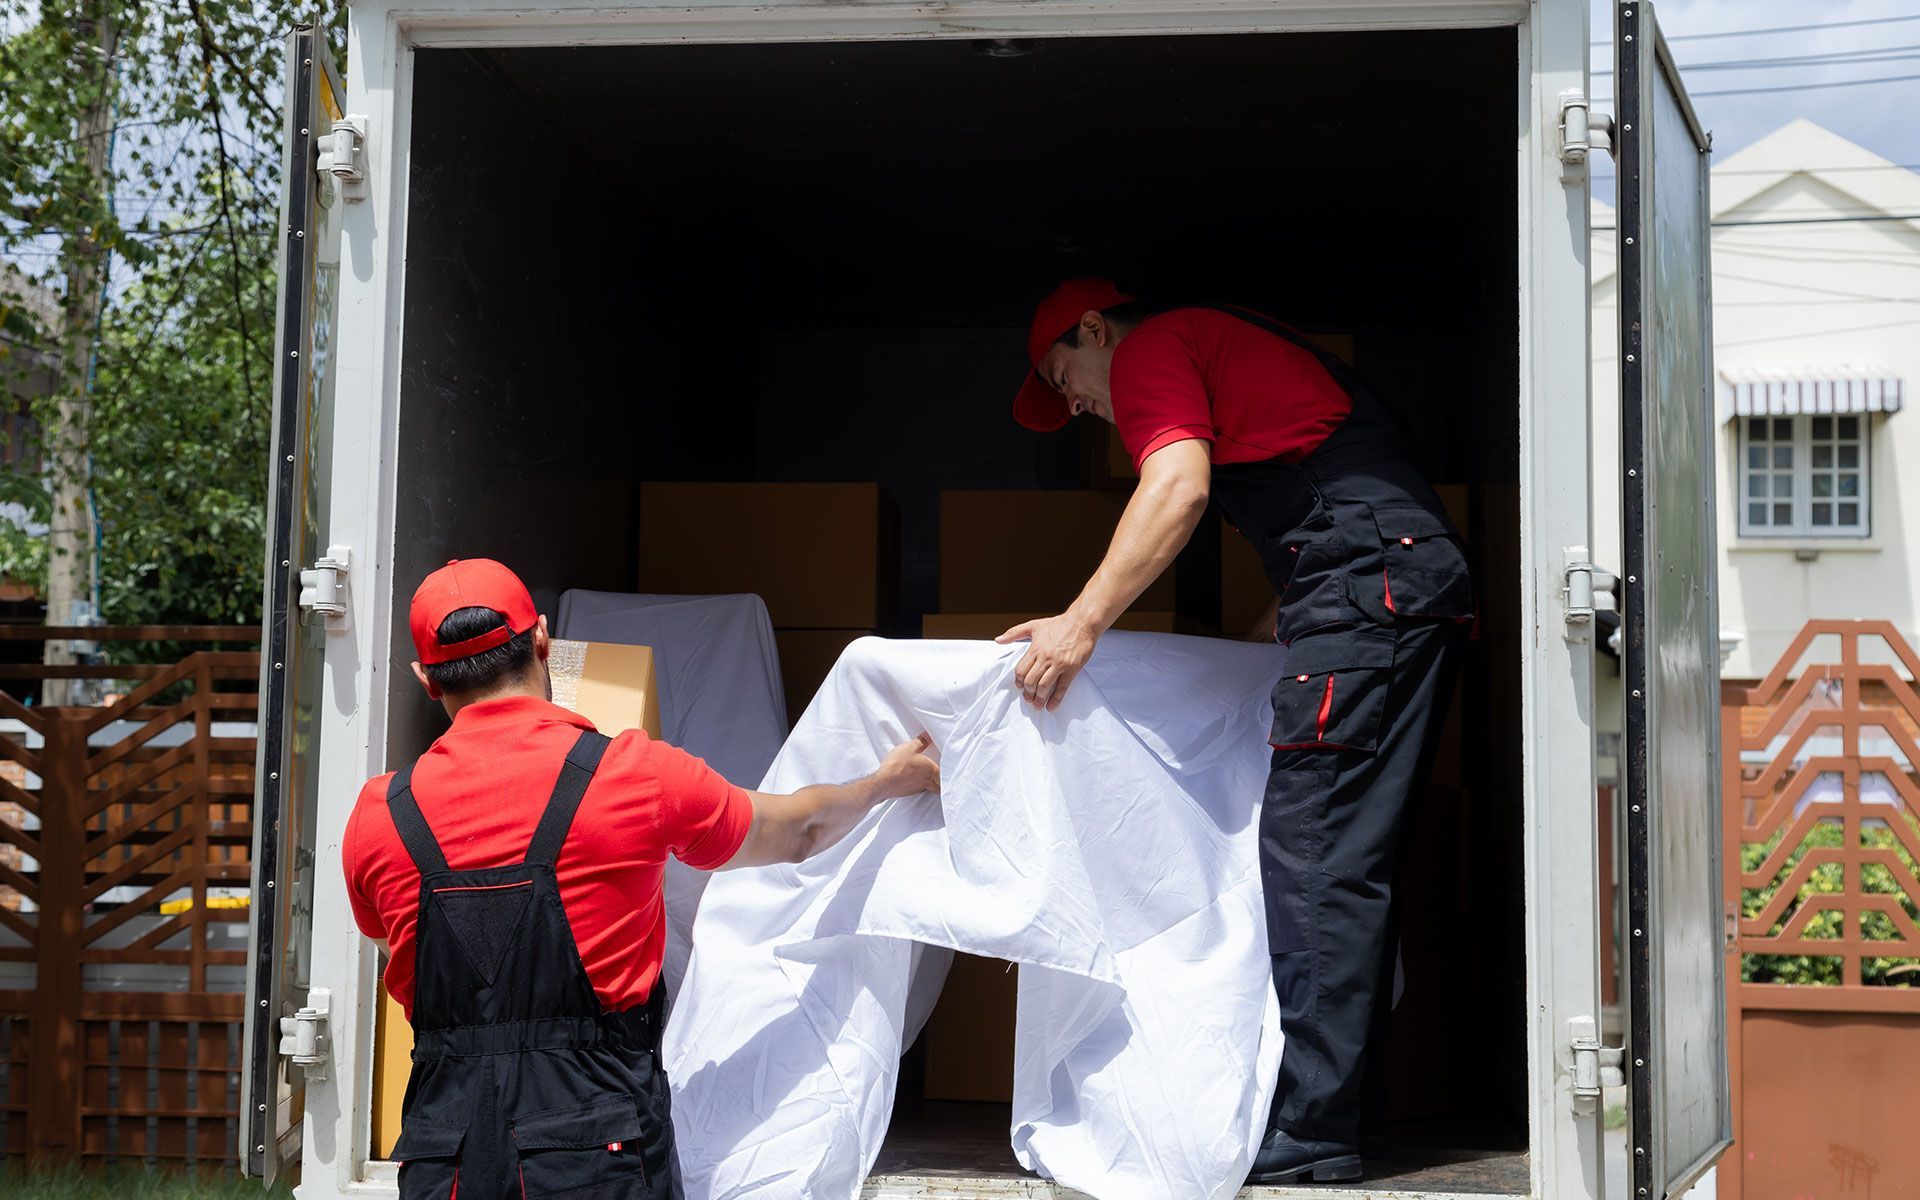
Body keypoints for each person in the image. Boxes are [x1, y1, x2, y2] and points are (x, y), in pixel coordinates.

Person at [999, 280, 1471, 1183]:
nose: (1078, 403)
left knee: (1314, 855)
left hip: (1371, 592)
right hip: (1390, 585)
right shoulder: (1227, 341)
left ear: (1094, 328)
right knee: (1346, 856)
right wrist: (1260, 645)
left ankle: (1314, 1129)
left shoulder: (1151, 349)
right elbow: (1332, 513)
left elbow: (1176, 487)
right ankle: (1345, 1114)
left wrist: (1079, 625)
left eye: (1065, 376)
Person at [343, 558, 939, 1200]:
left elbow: (400, 957)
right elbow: (799, 832)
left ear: (426, 679)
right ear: (544, 641)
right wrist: (885, 783)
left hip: (443, 1160)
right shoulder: (632, 775)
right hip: (596, 1157)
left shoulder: (380, 816)